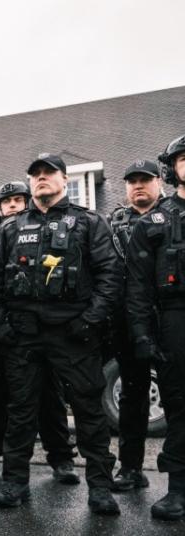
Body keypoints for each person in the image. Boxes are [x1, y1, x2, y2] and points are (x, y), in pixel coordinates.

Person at [0, 154, 120, 515]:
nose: (41, 179)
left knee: (89, 411)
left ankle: (101, 487)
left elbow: (110, 276)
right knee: (22, 411)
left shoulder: (89, 222)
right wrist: (1, 327)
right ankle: (14, 482)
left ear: (64, 179)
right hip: (24, 337)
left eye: (48, 174)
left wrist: (89, 320)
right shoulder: (10, 229)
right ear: (30, 184)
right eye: (35, 175)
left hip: (75, 334)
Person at [0, 183, 78, 482]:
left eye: (19, 199)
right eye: (7, 202)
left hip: (33, 327)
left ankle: (61, 458)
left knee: (49, 394)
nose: (14, 206)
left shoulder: (43, 227)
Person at [126, 134, 185, 521]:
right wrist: (142, 335)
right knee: (180, 406)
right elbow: (137, 287)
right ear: (173, 167)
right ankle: (178, 489)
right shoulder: (154, 223)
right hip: (174, 317)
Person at [106, 160, 164, 491]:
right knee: (133, 394)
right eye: (132, 181)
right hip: (129, 320)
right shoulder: (114, 224)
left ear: (159, 182)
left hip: (171, 315)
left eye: (145, 180)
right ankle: (130, 469)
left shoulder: (174, 214)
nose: (138, 185)